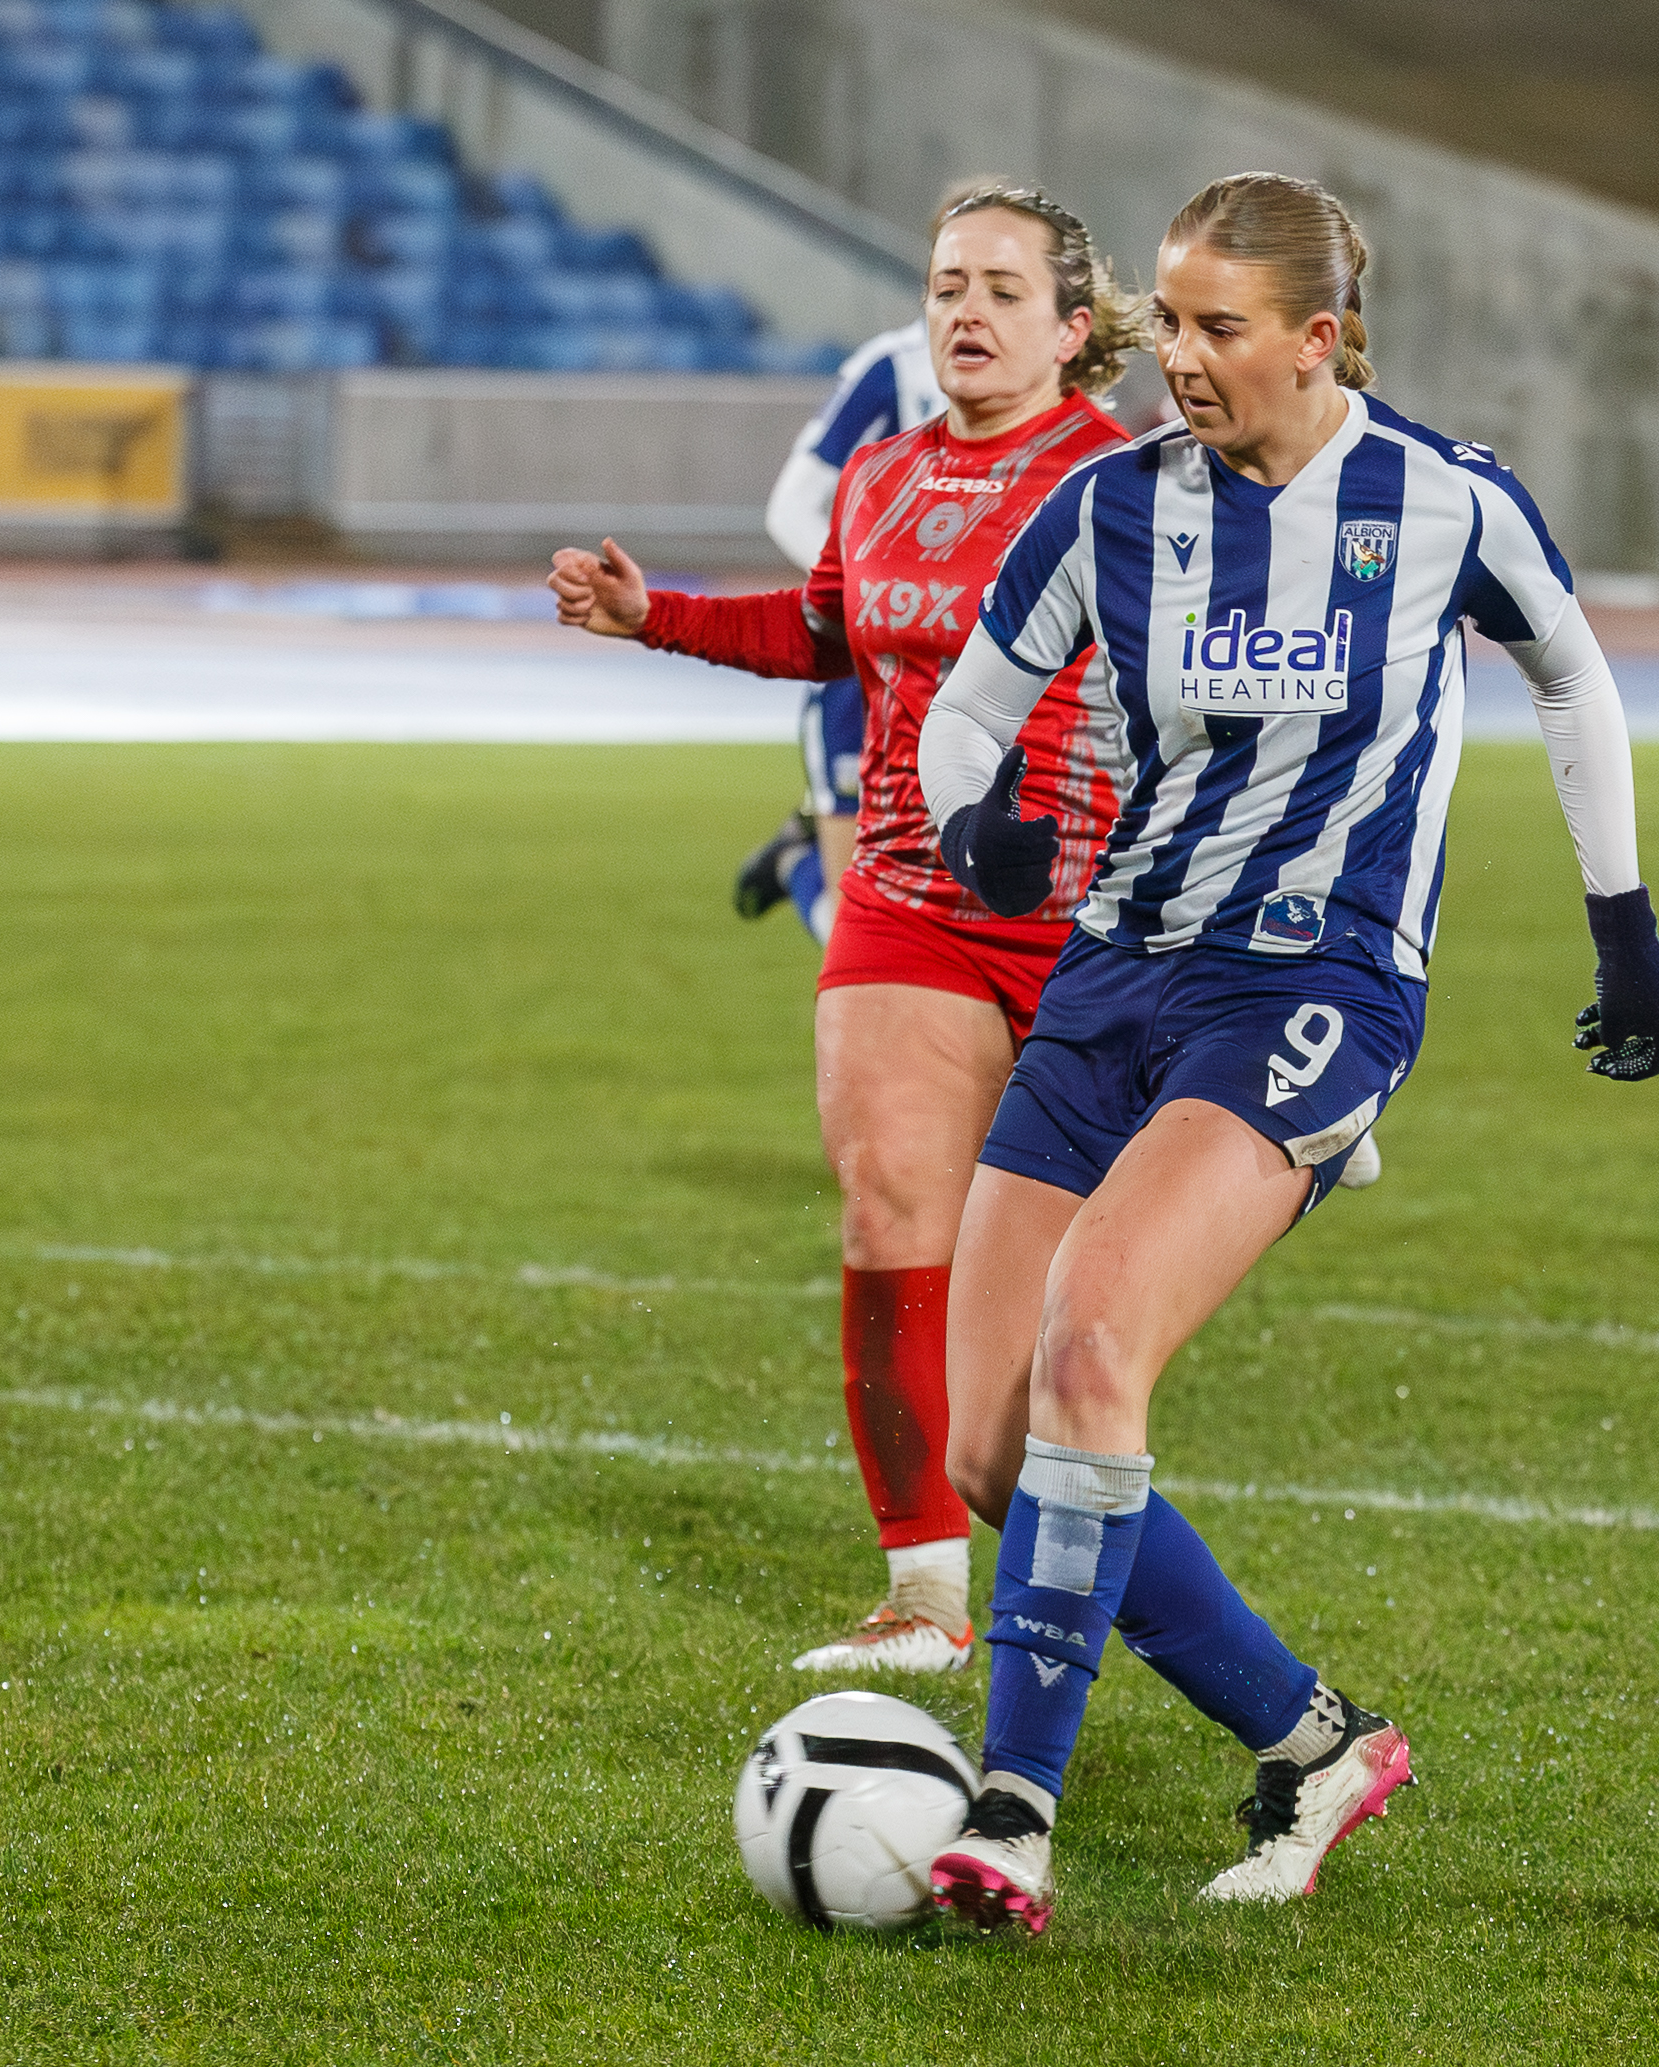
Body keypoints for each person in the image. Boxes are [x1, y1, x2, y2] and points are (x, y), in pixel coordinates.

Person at [917, 172, 1659, 1933]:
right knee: (986, 1444)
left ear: (1316, 337)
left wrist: (1623, 922)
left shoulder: (1438, 500)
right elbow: (972, 709)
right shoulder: (1111, 505)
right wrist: (979, 834)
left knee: (1094, 1342)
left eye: (1216, 328)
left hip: (1313, 987)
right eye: (1168, 322)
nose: (1174, 357)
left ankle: (1011, 1807)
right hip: (1117, 976)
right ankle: (1313, 1738)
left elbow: (1572, 676)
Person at [547, 182, 1144, 1676]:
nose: (967, 310)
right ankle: (924, 1596)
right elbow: (828, 628)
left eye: (1004, 288)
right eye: (949, 281)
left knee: (1065, 1308)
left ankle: (1080, 1591)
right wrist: (659, 616)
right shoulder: (880, 473)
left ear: (1073, 330)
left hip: (1090, 922)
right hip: (905, 898)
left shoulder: (1130, 483)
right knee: (888, 1209)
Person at [730, 297, 948, 945]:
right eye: (955, 281)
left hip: (989, 678)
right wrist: (883, 597)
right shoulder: (898, 370)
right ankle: (802, 869)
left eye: (1006, 285)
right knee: (863, 935)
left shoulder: (1060, 391)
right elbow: (792, 505)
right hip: (870, 675)